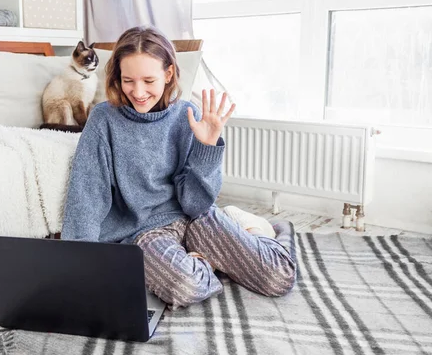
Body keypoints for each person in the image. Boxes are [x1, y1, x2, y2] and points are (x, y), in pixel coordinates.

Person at [61, 25, 296, 308]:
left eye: (149, 80)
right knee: (186, 287)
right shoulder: (103, 119)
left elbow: (195, 204)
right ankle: (205, 259)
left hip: (194, 217)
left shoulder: (188, 115)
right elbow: (87, 194)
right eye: (128, 80)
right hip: (145, 232)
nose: (138, 91)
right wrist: (76, 265)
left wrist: (206, 148)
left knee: (278, 277)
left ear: (168, 74)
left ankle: (252, 230)